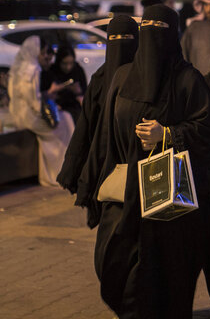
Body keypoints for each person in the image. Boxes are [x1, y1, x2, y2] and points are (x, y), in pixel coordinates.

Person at [92, 4, 210, 319]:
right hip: (127, 190)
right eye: (145, 28)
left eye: (158, 29)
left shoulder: (189, 80)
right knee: (120, 264)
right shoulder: (123, 77)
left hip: (168, 195)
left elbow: (209, 131)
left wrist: (169, 134)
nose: (150, 37)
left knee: (166, 273)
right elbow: (107, 132)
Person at [57, 15, 138, 209]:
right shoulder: (100, 78)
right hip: (103, 160)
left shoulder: (143, 76)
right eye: (115, 39)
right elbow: (86, 123)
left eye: (126, 38)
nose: (120, 46)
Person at [8, 36, 74, 187]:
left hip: (18, 112)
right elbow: (33, 100)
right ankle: (59, 173)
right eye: (42, 52)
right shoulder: (33, 69)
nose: (44, 55)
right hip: (28, 116)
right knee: (62, 126)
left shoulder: (21, 67)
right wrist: (45, 110)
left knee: (64, 118)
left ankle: (52, 173)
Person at [42, 45, 87, 122]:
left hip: (75, 107)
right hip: (58, 108)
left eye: (71, 63)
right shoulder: (53, 71)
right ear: (59, 61)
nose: (68, 67)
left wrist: (78, 92)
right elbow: (47, 94)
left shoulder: (77, 70)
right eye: (64, 63)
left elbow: (84, 91)